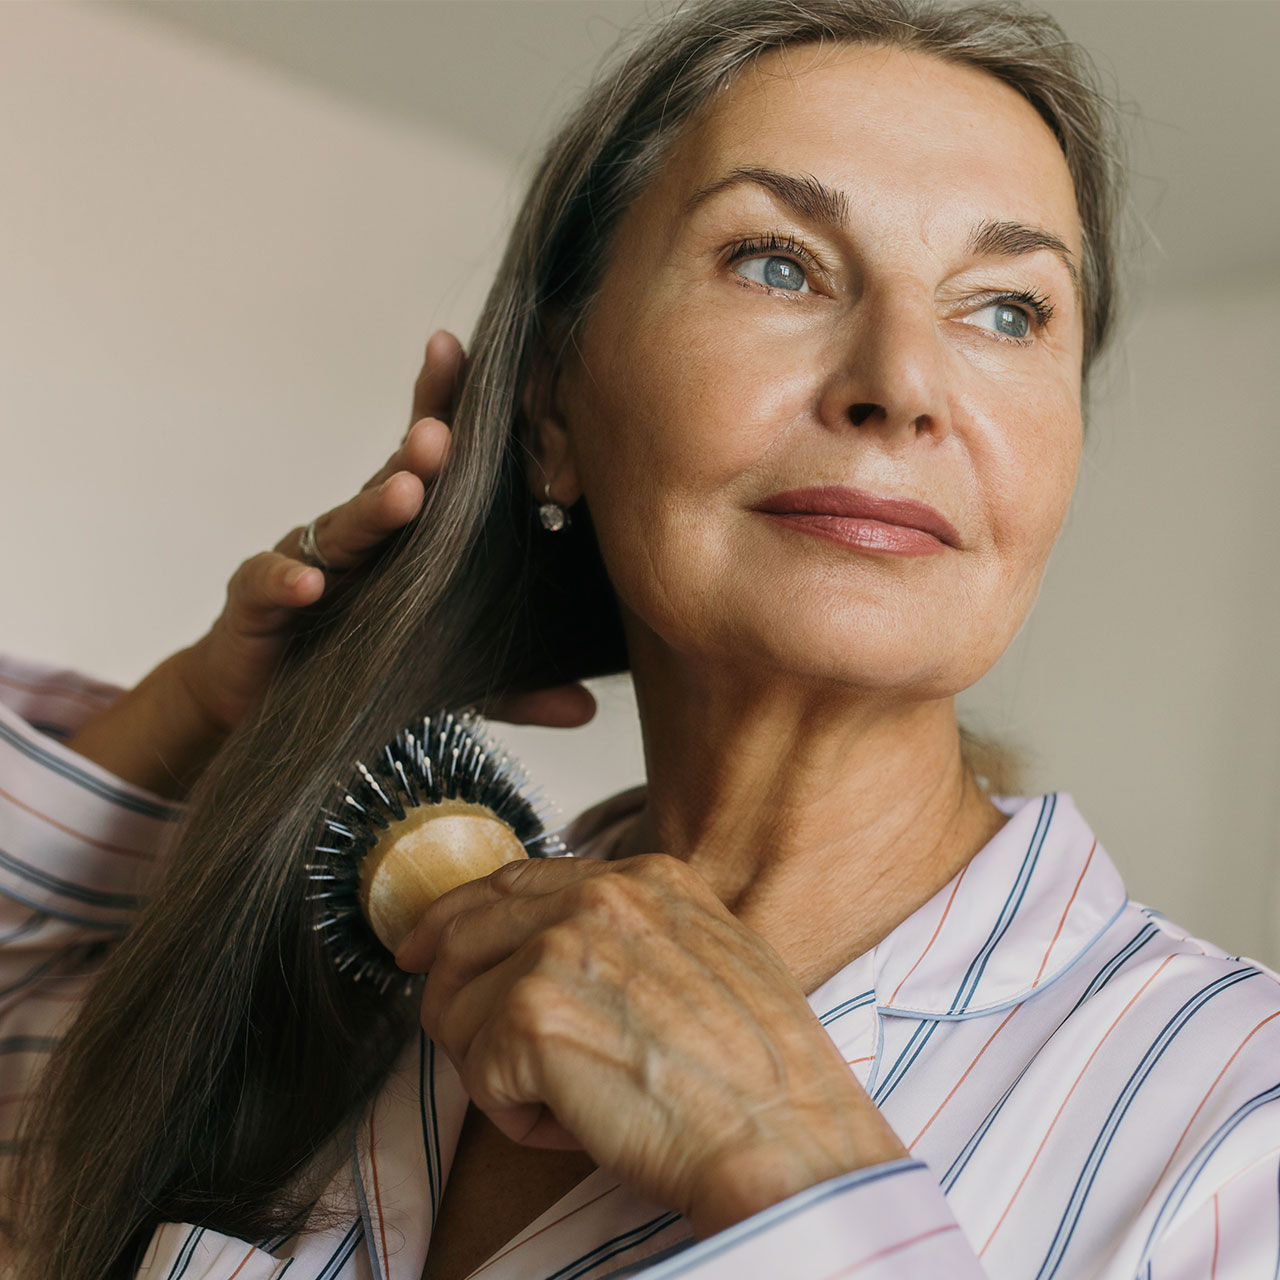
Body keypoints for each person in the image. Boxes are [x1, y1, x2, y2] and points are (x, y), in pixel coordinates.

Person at [6, 0, 1280, 1276]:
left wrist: (788, 1158)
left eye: (1006, 309)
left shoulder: (1235, 1123)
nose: (898, 382)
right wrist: (213, 714)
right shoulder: (351, 981)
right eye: (777, 262)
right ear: (554, 402)